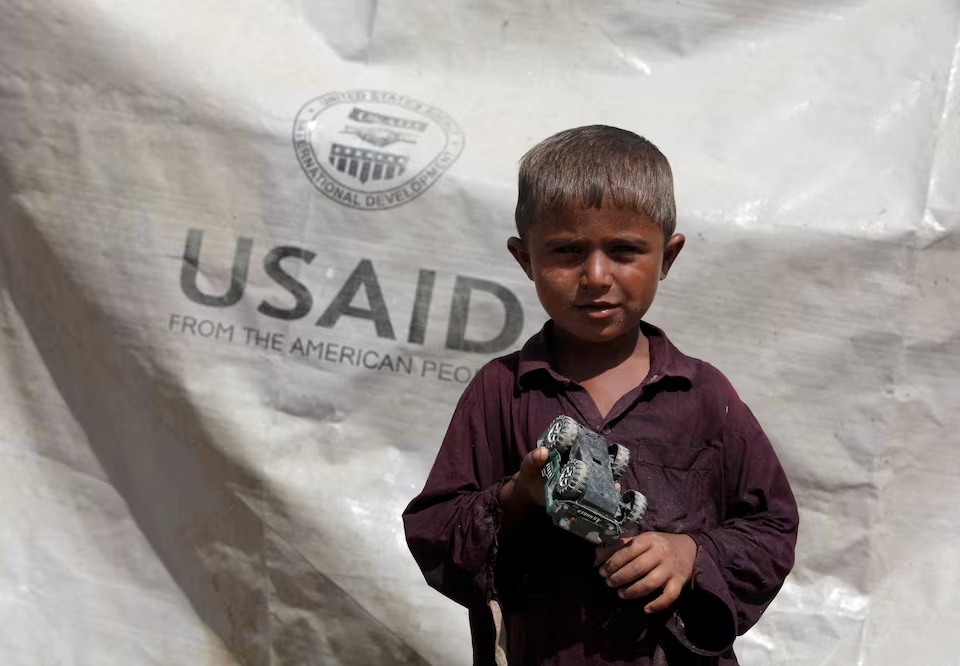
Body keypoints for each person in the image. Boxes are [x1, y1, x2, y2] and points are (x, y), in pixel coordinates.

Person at [402, 126, 799, 665]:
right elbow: (433, 530)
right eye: (567, 251)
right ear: (525, 260)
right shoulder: (502, 390)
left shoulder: (705, 396)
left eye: (623, 250)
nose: (594, 276)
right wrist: (518, 496)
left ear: (668, 257)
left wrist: (692, 555)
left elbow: (771, 527)